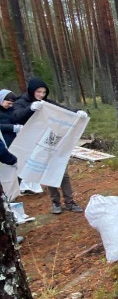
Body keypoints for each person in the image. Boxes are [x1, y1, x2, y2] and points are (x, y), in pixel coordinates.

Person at [12, 77, 87, 214]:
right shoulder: (22, 102)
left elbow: (63, 110)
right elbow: (16, 116)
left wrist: (77, 112)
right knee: (48, 172)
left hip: (51, 141)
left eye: (44, 92)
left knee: (61, 171)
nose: (41, 95)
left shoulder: (46, 103)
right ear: (32, 91)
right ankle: (56, 203)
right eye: (38, 92)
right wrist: (30, 109)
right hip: (34, 144)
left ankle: (70, 202)